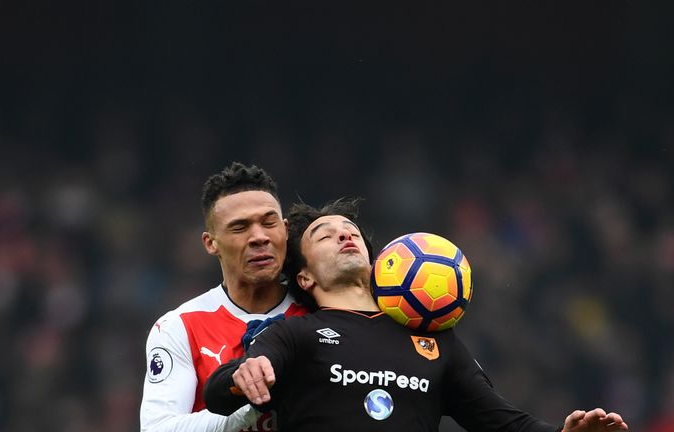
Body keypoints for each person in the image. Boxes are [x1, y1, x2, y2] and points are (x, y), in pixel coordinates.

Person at [203, 198, 629, 432]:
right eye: (324, 235)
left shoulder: (437, 342)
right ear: (306, 276)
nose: (344, 235)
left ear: (375, 264)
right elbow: (220, 394)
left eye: (350, 232)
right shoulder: (295, 335)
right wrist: (245, 374)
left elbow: (503, 423)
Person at [140, 162, 307, 432]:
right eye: (240, 228)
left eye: (268, 222)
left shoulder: (320, 313)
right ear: (211, 243)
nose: (259, 237)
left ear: (285, 230)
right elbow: (157, 428)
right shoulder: (180, 326)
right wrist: (249, 408)